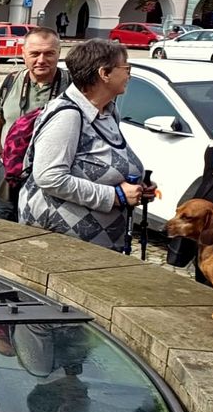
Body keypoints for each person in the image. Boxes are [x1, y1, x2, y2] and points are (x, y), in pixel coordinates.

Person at [18, 39, 154, 252]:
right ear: (104, 74)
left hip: (97, 239)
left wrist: (135, 187)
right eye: (126, 68)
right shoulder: (68, 116)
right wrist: (115, 196)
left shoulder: (108, 111)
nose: (129, 75)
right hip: (63, 244)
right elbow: (49, 177)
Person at [0, 28, 70, 222]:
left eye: (49, 53)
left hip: (51, 173)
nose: (41, 60)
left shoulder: (72, 86)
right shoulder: (9, 83)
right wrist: (0, 160)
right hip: (8, 170)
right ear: (23, 53)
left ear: (59, 53)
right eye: (34, 54)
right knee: (3, 223)